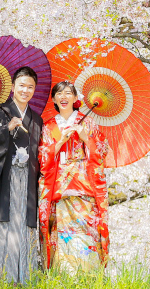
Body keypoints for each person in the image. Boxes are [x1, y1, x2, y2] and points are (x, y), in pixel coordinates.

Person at [0, 66, 43, 283]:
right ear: (13, 87)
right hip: (3, 177)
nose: (25, 90)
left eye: (30, 87)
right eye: (21, 85)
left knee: (23, 224)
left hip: (27, 180)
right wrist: (6, 129)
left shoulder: (37, 120)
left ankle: (22, 279)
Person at [38, 81, 110, 273]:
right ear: (53, 99)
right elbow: (42, 157)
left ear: (75, 98)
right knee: (62, 233)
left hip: (84, 186)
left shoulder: (88, 123)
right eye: (59, 93)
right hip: (60, 188)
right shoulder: (50, 126)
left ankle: (89, 274)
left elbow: (103, 151)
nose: (64, 97)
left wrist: (86, 138)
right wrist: (59, 142)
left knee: (86, 230)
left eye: (68, 93)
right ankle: (64, 274)